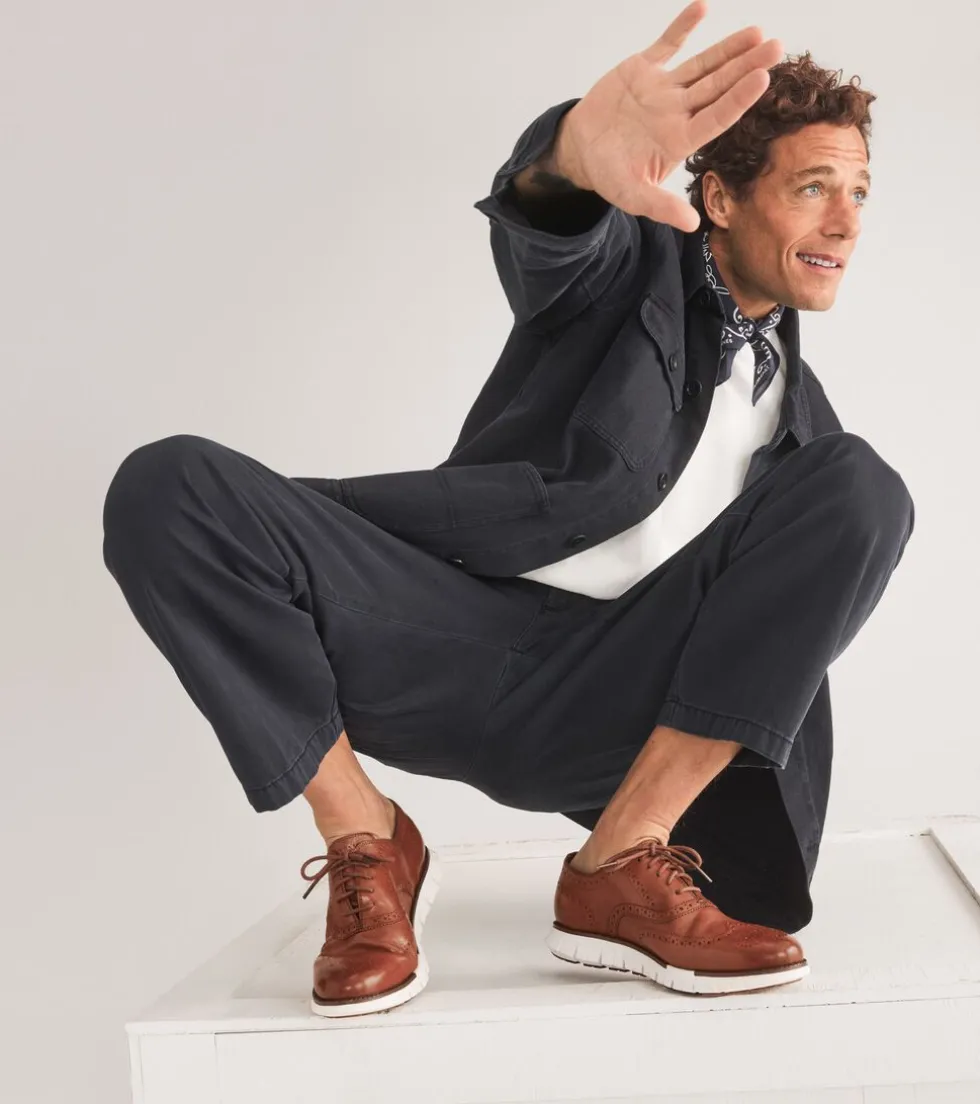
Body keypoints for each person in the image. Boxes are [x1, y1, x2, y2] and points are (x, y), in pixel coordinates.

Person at [101, 0, 914, 1017]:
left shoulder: (813, 439)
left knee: (861, 486)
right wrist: (570, 158)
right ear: (717, 197)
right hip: (445, 635)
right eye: (812, 187)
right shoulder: (629, 278)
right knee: (170, 487)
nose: (845, 221)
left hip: (622, 710)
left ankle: (621, 859)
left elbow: (779, 617)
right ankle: (368, 842)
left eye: (857, 193)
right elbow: (554, 233)